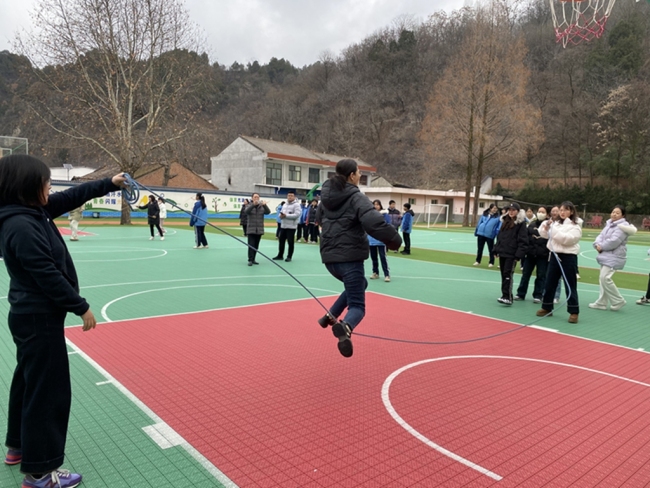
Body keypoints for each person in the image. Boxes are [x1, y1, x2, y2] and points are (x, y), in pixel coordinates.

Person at [0, 154, 126, 488]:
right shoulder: (21, 225)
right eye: (45, 182)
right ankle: (40, 472)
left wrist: (108, 183)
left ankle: (18, 447)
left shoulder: (30, 212)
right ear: (28, 187)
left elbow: (70, 197)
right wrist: (80, 306)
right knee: (48, 393)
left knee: (29, 382)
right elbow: (46, 275)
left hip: (32, 317)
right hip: (38, 318)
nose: (49, 187)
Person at [316, 159, 402, 358]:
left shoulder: (325, 198)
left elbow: (319, 220)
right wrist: (395, 240)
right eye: (359, 172)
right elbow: (373, 222)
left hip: (330, 260)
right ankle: (345, 327)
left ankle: (330, 316)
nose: (360, 175)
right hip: (350, 259)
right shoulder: (356, 197)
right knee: (357, 306)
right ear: (352, 175)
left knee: (360, 283)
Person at [537, 201, 582, 323]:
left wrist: (552, 231)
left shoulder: (575, 226)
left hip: (568, 257)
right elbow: (544, 234)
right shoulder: (555, 224)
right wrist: (545, 226)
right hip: (554, 256)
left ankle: (574, 311)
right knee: (550, 282)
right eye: (561, 210)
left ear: (571, 212)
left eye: (566, 210)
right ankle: (547, 307)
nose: (562, 212)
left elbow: (567, 240)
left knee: (570, 284)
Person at [589, 205, 637, 311]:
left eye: (617, 213)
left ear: (623, 215)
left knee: (605, 278)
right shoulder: (609, 224)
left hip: (615, 255)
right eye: (613, 212)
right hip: (606, 254)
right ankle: (602, 302)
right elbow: (600, 236)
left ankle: (618, 300)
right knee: (602, 279)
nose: (614, 214)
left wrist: (601, 247)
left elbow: (614, 241)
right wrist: (597, 244)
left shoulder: (623, 227)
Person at [493, 202, 528, 305]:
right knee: (503, 275)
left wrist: (518, 255)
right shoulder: (505, 221)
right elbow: (500, 237)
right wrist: (495, 249)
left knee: (508, 274)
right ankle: (505, 295)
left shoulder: (521, 224)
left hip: (512, 254)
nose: (511, 212)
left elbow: (523, 241)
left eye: (513, 210)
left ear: (518, 211)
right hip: (503, 252)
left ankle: (507, 297)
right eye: (510, 210)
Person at [514, 206, 549, 303]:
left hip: (543, 255)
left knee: (541, 275)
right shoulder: (531, 224)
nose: (540, 213)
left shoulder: (549, 225)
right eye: (539, 211)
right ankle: (521, 293)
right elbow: (526, 238)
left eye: (543, 212)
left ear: (547, 214)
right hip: (530, 254)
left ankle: (538, 295)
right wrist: (527, 250)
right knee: (525, 274)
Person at [273, 192, 301, 262]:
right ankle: (280, 255)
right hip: (283, 226)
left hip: (291, 227)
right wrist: (281, 216)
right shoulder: (285, 204)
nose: (290, 197)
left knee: (290, 242)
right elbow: (281, 212)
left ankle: (289, 256)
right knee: (281, 241)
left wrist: (286, 215)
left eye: (291, 196)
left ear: (294, 197)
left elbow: (297, 215)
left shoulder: (297, 205)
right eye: (288, 195)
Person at [368, 199, 391, 282]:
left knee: (383, 257)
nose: (376, 206)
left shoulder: (384, 214)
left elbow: (388, 224)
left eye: (377, 204)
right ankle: (375, 272)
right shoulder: (369, 214)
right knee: (373, 257)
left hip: (381, 240)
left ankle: (387, 274)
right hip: (371, 239)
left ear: (380, 205)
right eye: (374, 204)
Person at [245, 193, 270, 265]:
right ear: (252, 198)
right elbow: (246, 211)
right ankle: (250, 259)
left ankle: (253, 259)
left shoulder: (261, 206)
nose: (256, 198)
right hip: (251, 229)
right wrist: (253, 205)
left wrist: (265, 205)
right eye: (255, 197)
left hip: (259, 229)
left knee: (256, 246)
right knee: (251, 245)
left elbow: (268, 212)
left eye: (257, 197)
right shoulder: (249, 205)